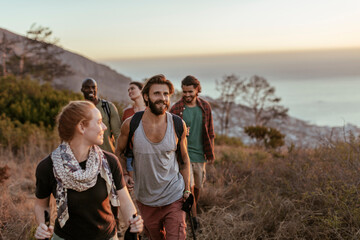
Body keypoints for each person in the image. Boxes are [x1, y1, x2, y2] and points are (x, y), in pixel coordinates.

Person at [34, 101, 143, 240]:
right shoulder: (48, 166)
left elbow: (125, 200)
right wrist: (43, 226)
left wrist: (133, 221)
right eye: (98, 122)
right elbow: (40, 205)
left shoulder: (109, 162)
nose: (104, 127)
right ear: (81, 127)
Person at [115, 74, 191, 240]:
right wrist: (125, 175)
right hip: (145, 199)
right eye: (157, 93)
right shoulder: (131, 124)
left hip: (174, 196)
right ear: (146, 97)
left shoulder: (178, 124)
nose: (162, 98)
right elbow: (119, 152)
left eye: (166, 94)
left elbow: (184, 161)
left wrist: (187, 189)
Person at [170, 75, 215, 230]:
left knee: (198, 188)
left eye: (190, 91)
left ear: (197, 90)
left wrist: (211, 154)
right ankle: (194, 219)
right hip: (184, 156)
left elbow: (210, 132)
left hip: (200, 155)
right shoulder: (175, 109)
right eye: (184, 92)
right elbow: (169, 134)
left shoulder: (205, 107)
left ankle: (192, 210)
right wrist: (181, 132)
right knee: (189, 187)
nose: (187, 95)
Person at [81, 78, 121, 154]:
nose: (91, 90)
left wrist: (119, 155)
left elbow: (117, 134)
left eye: (93, 87)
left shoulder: (108, 107)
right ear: (82, 90)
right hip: (86, 156)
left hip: (107, 154)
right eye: (87, 88)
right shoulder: (80, 110)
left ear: (97, 89)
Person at [122, 81, 146, 178]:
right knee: (133, 187)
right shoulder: (127, 112)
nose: (130, 91)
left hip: (148, 154)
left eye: (132, 88)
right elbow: (123, 135)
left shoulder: (150, 111)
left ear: (141, 90)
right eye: (128, 90)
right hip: (131, 155)